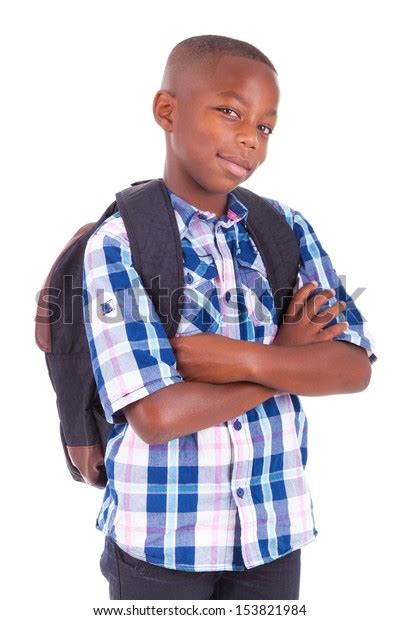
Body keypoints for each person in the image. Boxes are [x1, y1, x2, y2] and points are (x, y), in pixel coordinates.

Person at [82, 34, 376, 601]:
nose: (250, 137)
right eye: (229, 111)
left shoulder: (286, 229)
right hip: (159, 543)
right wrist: (289, 360)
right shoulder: (119, 244)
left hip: (274, 534)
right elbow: (157, 416)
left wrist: (242, 358)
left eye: (265, 126)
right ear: (167, 110)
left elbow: (352, 368)